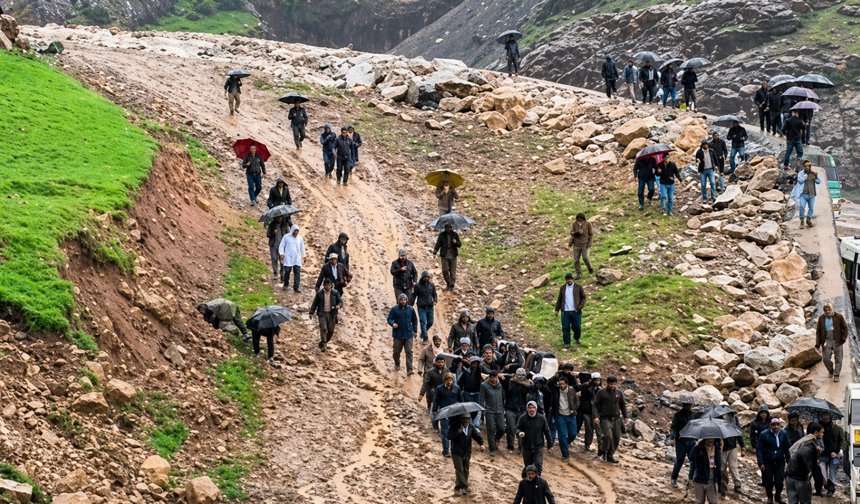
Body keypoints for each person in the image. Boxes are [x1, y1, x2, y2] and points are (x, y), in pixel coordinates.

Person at [785, 422, 824, 504]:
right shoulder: (809, 445)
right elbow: (810, 463)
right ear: (816, 432)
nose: (822, 434)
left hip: (789, 477)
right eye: (821, 432)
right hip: (799, 480)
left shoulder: (804, 442)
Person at [447, 414, 484, 496]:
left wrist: (481, 444)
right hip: (456, 452)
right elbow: (449, 436)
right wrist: (457, 432)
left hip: (467, 451)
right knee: (459, 470)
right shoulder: (454, 426)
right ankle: (459, 487)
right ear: (460, 419)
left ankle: (463, 487)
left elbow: (476, 436)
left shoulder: (471, 426)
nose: (466, 421)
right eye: (464, 419)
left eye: (467, 418)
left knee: (466, 469)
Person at [593, 375, 626, 463]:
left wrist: (625, 416)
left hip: (616, 419)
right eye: (611, 384)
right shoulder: (601, 392)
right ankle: (603, 450)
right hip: (605, 418)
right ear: (607, 383)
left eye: (614, 384)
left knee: (616, 438)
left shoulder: (619, 393)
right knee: (608, 436)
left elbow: (622, 404)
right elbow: (595, 405)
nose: (613, 386)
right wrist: (596, 416)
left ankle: (610, 455)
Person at [757, 417, 791, 504]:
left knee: (779, 481)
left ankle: (778, 496)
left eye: (777, 424)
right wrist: (761, 462)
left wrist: (789, 462)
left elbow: (787, 448)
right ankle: (769, 497)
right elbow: (759, 449)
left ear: (780, 425)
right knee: (768, 481)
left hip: (780, 461)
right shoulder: (764, 434)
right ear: (770, 425)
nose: (775, 427)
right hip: (768, 461)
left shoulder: (784, 433)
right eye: (773, 425)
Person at [516, 401, 553, 475]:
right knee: (528, 466)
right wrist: (519, 433)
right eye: (530, 408)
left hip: (538, 445)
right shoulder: (523, 418)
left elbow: (547, 431)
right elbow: (517, 428)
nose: (532, 409)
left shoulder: (541, 418)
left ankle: (537, 481)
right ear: (527, 409)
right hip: (527, 446)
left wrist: (550, 445)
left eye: (533, 407)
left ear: (536, 408)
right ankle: (527, 480)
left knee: (538, 464)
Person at [432, 372, 462, 457]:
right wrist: (434, 410)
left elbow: (461, 400)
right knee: (445, 432)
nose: (449, 382)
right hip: (444, 412)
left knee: (455, 432)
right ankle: (446, 451)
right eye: (448, 380)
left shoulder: (457, 388)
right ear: (444, 380)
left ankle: (454, 450)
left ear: (453, 380)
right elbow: (436, 400)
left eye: (451, 380)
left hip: (454, 413)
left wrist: (461, 412)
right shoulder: (439, 389)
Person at [387, 293, 418, 375]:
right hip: (398, 335)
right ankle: (397, 363)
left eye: (404, 300)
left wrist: (415, 331)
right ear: (398, 300)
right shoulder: (394, 309)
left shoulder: (411, 309)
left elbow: (414, 320)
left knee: (409, 352)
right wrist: (392, 324)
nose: (403, 301)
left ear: (407, 300)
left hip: (408, 335)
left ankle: (409, 369)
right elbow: (389, 318)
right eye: (401, 300)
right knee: (396, 352)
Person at [553, 272, 586, 349]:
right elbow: (559, 299)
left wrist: (580, 307)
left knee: (577, 327)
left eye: (570, 279)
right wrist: (556, 310)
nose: (569, 280)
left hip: (576, 311)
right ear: (566, 280)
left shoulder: (579, 287)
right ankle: (567, 343)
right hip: (565, 312)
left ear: (573, 279)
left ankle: (577, 337)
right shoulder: (563, 288)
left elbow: (583, 298)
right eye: (567, 279)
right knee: (565, 328)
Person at [816, 303, 848, 381]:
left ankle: (836, 375)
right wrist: (818, 344)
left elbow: (845, 328)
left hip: (837, 341)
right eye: (825, 310)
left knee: (839, 359)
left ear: (832, 309)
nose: (827, 311)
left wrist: (843, 339)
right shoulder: (821, 318)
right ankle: (831, 370)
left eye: (829, 309)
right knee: (825, 359)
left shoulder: (839, 317)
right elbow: (818, 331)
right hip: (826, 341)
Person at [503, 368, 531, 453]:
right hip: (510, 408)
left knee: (521, 429)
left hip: (522, 409)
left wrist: (524, 383)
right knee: (511, 428)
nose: (521, 376)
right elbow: (505, 388)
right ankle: (510, 446)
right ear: (515, 374)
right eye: (519, 374)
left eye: (523, 375)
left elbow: (531, 388)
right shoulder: (510, 382)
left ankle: (521, 447)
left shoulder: (527, 384)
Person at [309, 278, 342, 352]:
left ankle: (323, 342)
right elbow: (315, 304)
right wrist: (311, 312)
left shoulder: (335, 293)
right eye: (326, 285)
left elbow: (340, 302)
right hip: (322, 313)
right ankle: (324, 345)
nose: (327, 287)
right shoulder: (319, 293)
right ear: (323, 285)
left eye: (329, 285)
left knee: (331, 330)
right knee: (323, 329)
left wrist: (338, 306)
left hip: (332, 314)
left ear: (331, 286)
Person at [551, 376, 579, 463]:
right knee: (562, 435)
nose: (561, 385)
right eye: (560, 384)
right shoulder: (556, 391)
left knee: (573, 434)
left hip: (570, 415)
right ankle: (565, 455)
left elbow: (577, 401)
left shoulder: (571, 390)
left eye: (563, 384)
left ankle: (563, 444)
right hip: (560, 416)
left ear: (566, 384)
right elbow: (549, 385)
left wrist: (573, 409)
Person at [669, 397, 696, 487]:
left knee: (693, 461)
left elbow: (697, 427)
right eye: (686, 405)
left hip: (691, 441)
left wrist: (698, 438)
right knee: (679, 461)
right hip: (681, 442)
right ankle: (673, 478)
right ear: (683, 405)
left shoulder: (693, 415)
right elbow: (673, 428)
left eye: (689, 405)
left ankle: (691, 479)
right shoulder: (678, 415)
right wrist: (672, 439)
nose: (688, 407)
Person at [819, 412, 847, 497]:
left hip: (835, 454)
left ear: (831, 418)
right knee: (821, 470)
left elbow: (843, 440)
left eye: (827, 419)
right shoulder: (819, 428)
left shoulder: (838, 429)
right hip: (823, 454)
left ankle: (831, 489)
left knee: (833, 472)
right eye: (824, 419)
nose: (826, 421)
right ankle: (825, 484)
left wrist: (841, 451)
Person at [480, 370, 506, 456]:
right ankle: (492, 449)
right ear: (489, 377)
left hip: (500, 410)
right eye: (492, 378)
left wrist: (504, 407)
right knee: (490, 429)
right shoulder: (484, 385)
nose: (494, 379)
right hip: (489, 410)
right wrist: (483, 409)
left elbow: (503, 396)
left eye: (495, 378)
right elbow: (482, 398)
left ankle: (497, 438)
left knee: (502, 428)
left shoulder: (501, 385)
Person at [689, 438, 722, 504]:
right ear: (704, 439)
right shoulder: (698, 448)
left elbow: (718, 466)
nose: (710, 440)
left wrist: (720, 481)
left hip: (712, 481)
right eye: (708, 439)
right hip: (699, 480)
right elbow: (692, 461)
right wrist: (690, 477)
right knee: (699, 501)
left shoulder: (717, 448)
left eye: (712, 439)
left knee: (713, 502)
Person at [419, 353, 446, 431]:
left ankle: (443, 428)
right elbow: (426, 384)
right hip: (432, 395)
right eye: (439, 362)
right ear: (436, 362)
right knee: (434, 412)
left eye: (442, 362)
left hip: (443, 395)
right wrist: (421, 394)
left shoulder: (446, 371)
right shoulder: (430, 372)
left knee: (443, 411)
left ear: (444, 362)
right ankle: (435, 426)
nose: (440, 364)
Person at [720, 413, 745, 496]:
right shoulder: (717, 417)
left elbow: (738, 431)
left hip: (732, 446)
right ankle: (723, 485)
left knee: (733, 466)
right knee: (722, 468)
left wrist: (742, 446)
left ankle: (737, 485)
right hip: (722, 448)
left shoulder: (734, 417)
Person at [791, 160, 821, 229]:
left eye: (808, 166)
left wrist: (815, 177)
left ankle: (808, 220)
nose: (807, 167)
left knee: (811, 208)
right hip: (803, 194)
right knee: (802, 207)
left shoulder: (813, 173)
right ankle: (802, 222)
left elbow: (819, 181)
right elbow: (800, 181)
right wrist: (805, 176)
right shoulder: (801, 173)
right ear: (803, 167)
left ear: (810, 166)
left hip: (812, 194)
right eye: (805, 166)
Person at [576, 373, 601, 451]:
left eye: (599, 380)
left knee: (590, 429)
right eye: (596, 380)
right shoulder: (585, 386)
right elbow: (575, 388)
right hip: (581, 409)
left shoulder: (600, 390)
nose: (597, 382)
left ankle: (587, 444)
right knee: (576, 426)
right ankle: (570, 439)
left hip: (590, 412)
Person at [433, 222, 462, 290]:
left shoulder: (455, 234)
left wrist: (456, 242)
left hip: (453, 255)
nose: (449, 229)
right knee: (445, 270)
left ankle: (451, 285)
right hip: (444, 255)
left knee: (452, 271)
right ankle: (449, 283)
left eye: (450, 227)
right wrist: (435, 251)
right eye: (447, 228)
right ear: (445, 228)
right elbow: (438, 244)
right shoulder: (442, 235)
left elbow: (460, 245)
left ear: (452, 228)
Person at [278, 224, 306, 293]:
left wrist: (304, 255)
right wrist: (281, 253)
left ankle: (296, 287)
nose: (296, 233)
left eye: (297, 232)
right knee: (287, 271)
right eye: (295, 231)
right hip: (288, 257)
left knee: (297, 272)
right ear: (292, 230)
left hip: (297, 258)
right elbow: (281, 246)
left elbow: (302, 247)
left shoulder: (300, 238)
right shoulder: (286, 237)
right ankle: (286, 284)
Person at [458, 357, 483, 429]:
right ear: (471, 364)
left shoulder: (479, 373)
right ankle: (470, 425)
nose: (475, 365)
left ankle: (475, 425)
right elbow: (459, 384)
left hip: (477, 394)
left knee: (476, 409)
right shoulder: (465, 373)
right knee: (468, 410)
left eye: (476, 363)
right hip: (467, 394)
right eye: (473, 363)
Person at [413, 271, 438, 343]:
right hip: (421, 307)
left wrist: (435, 300)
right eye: (424, 277)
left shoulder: (432, 285)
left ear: (429, 277)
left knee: (430, 322)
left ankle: (423, 332)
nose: (426, 278)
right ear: (422, 277)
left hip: (430, 306)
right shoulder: (418, 286)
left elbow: (434, 294)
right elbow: (414, 295)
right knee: (423, 322)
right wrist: (410, 304)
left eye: (427, 277)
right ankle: (425, 338)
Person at [568, 213, 594, 279]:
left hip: (585, 244)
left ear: (583, 219)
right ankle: (578, 274)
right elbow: (571, 233)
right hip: (576, 245)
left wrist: (589, 244)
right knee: (576, 260)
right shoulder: (574, 224)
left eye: (580, 220)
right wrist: (577, 233)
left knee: (585, 257)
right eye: (578, 220)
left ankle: (590, 269)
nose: (579, 222)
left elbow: (591, 235)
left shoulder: (588, 224)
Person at [266, 216, 290, 281]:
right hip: (273, 245)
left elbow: (289, 235)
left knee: (282, 260)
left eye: (281, 217)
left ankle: (282, 274)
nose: (279, 218)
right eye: (278, 217)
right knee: (274, 259)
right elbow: (268, 234)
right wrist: (273, 233)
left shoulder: (285, 225)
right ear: (275, 218)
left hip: (282, 246)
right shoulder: (272, 224)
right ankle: (275, 274)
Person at [696, 139, 718, 203]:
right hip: (703, 170)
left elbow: (715, 159)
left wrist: (716, 166)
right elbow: (696, 159)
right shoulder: (699, 152)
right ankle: (705, 198)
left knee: (713, 183)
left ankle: (713, 197)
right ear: (702, 145)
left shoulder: (711, 151)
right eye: (704, 144)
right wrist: (698, 161)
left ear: (708, 144)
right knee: (703, 185)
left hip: (710, 169)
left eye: (706, 144)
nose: (705, 145)